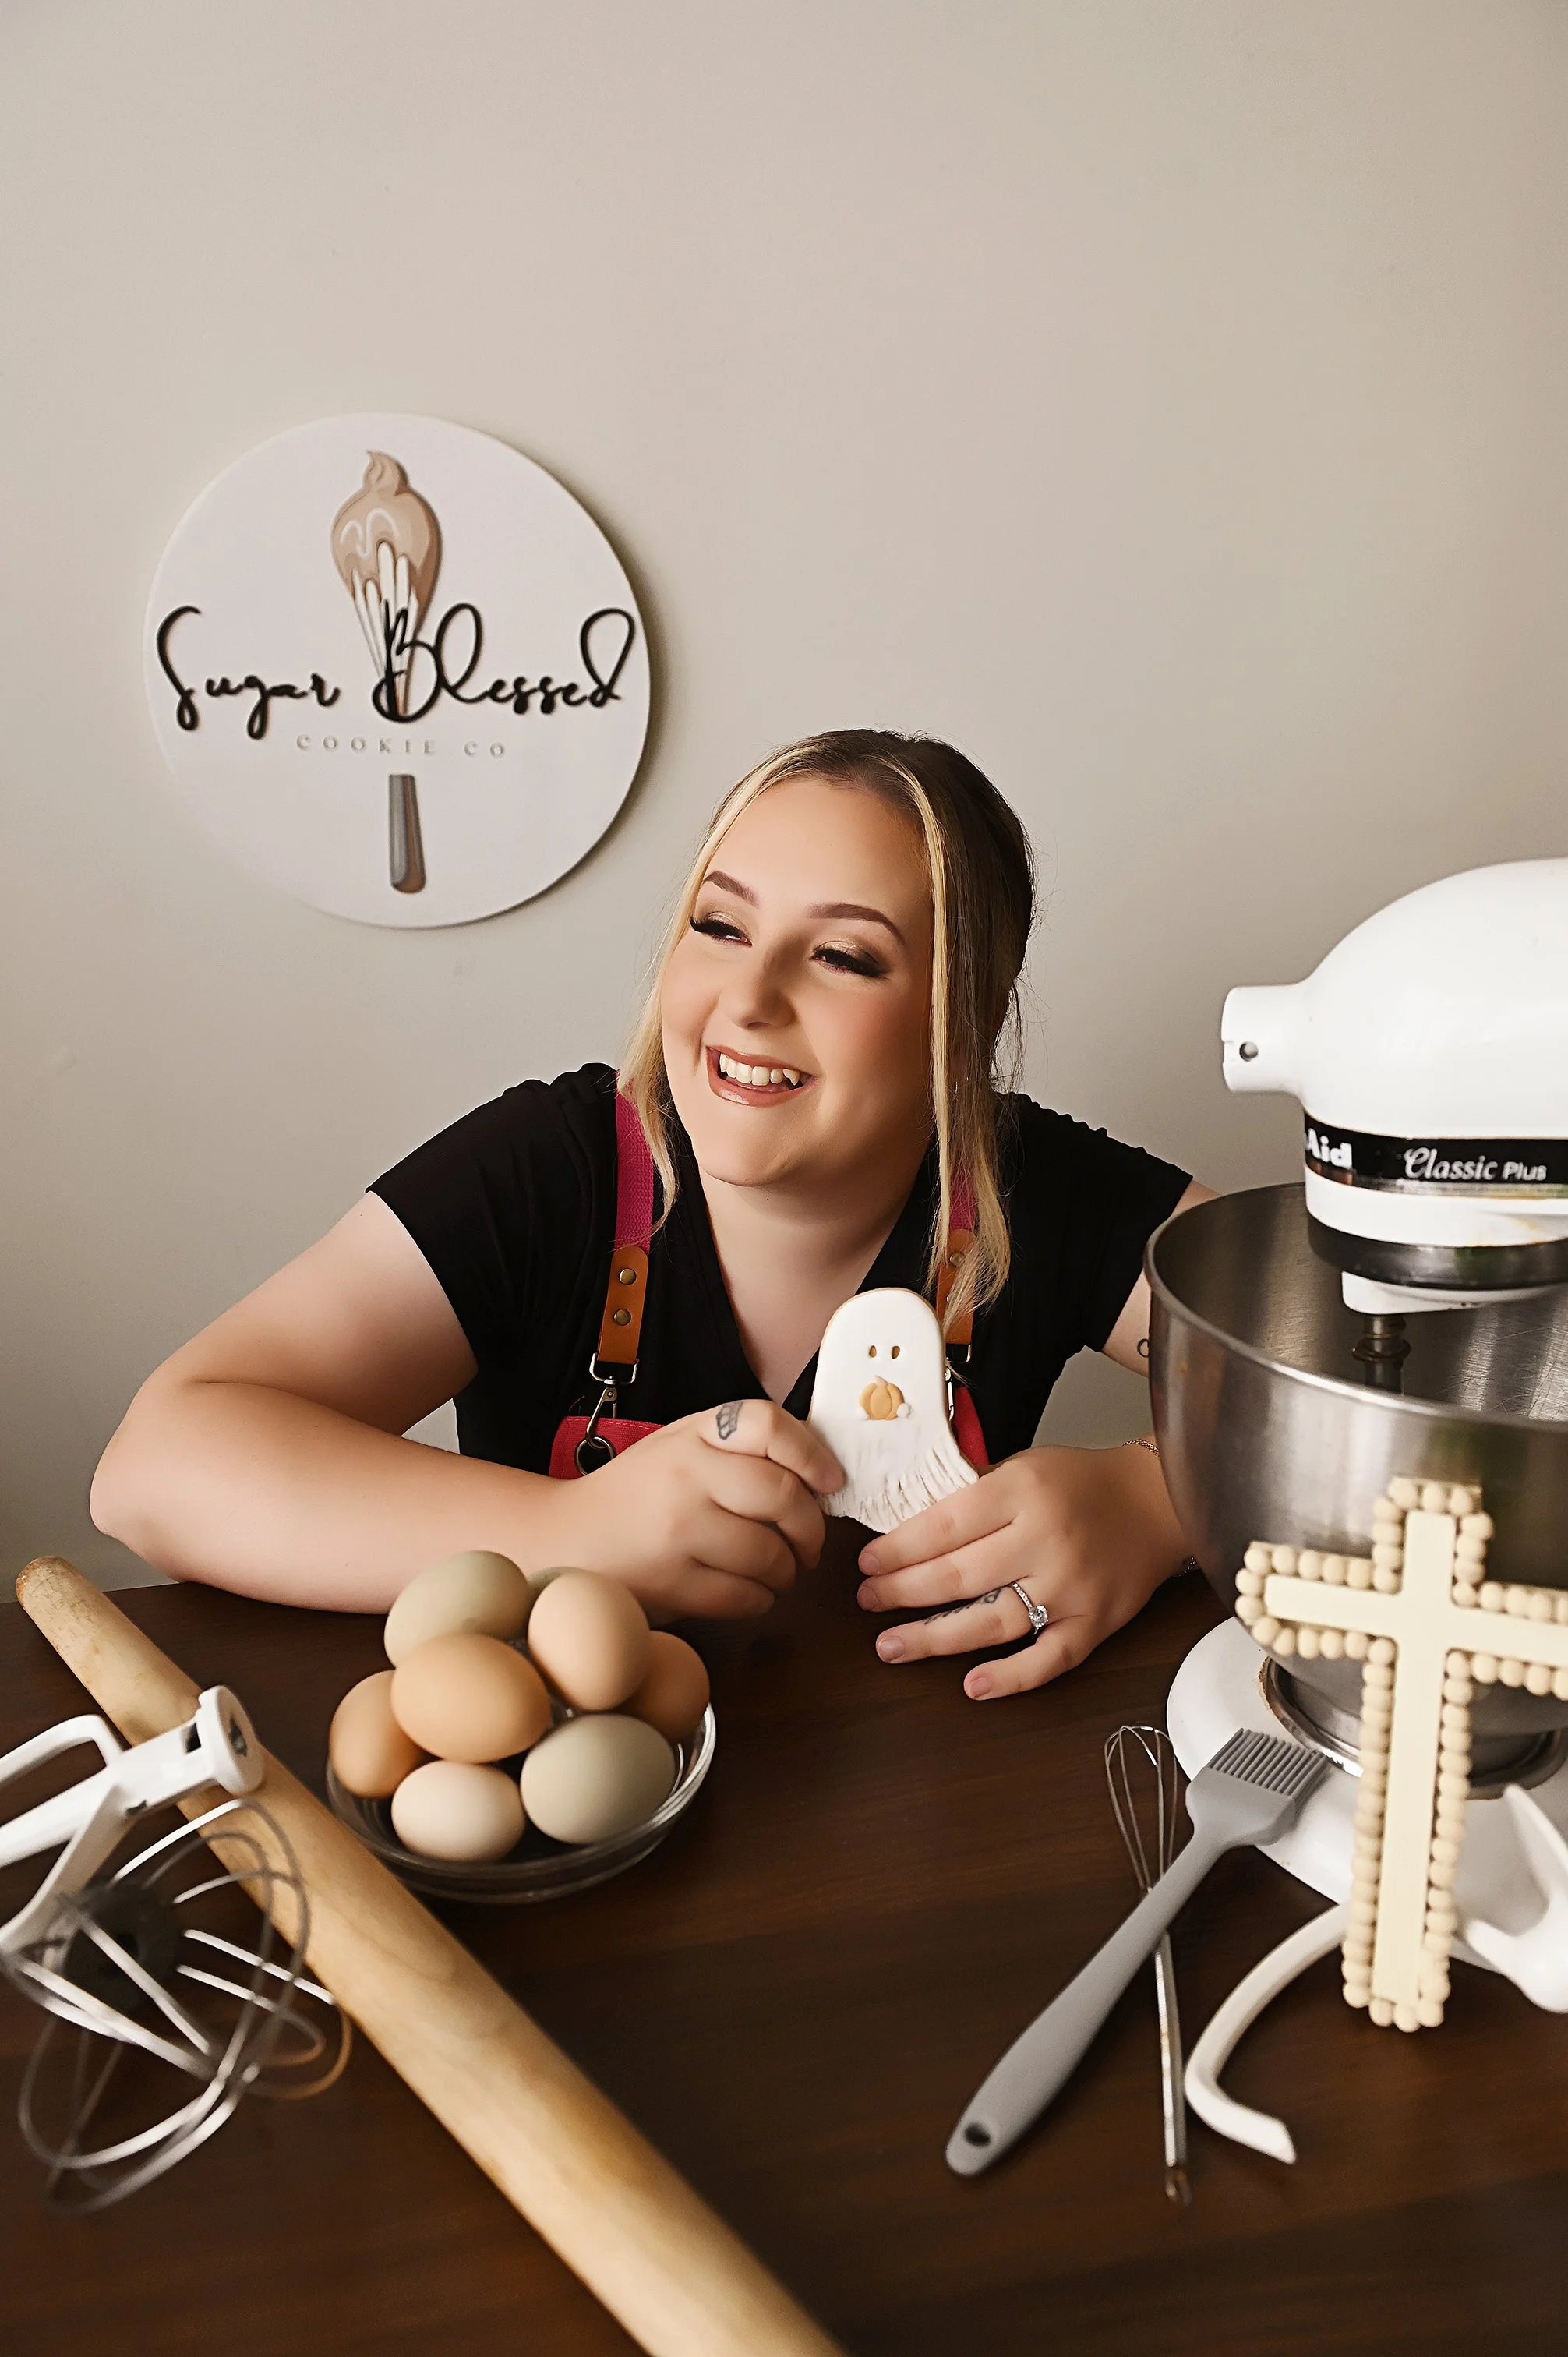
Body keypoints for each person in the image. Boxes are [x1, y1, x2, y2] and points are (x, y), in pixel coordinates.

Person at [92, 730, 1211, 1701]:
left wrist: (1160, 1500)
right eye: (720, 928)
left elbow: (1379, 1367)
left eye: (843, 956)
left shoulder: (1038, 1189)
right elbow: (155, 1470)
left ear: (959, 1026)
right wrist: (572, 1534)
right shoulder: (552, 1170)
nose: (749, 998)